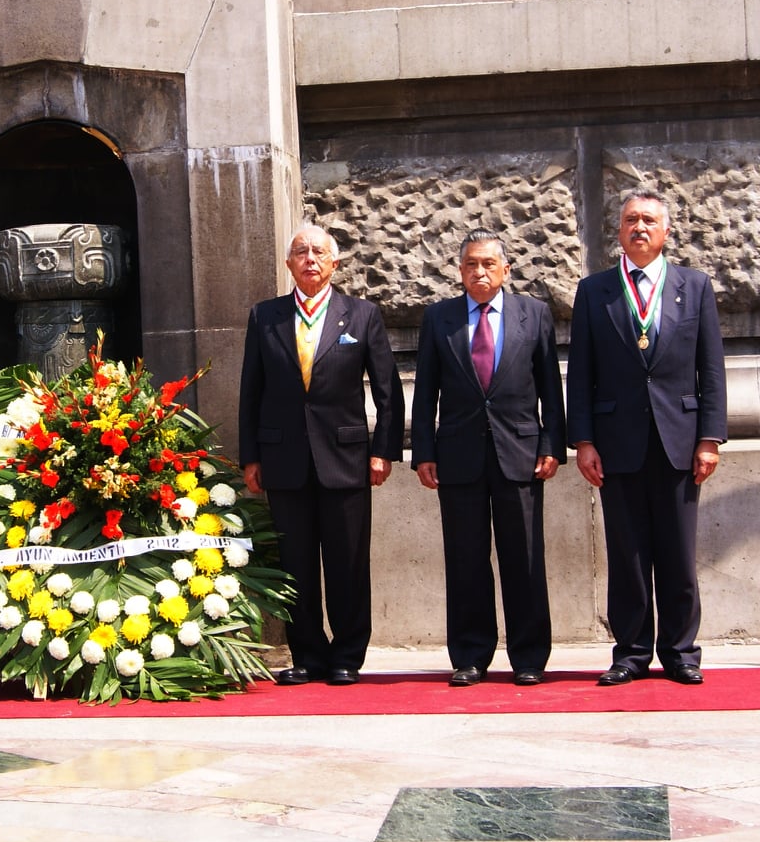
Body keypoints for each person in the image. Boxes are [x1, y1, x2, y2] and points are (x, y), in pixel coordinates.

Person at [566, 189, 727, 687]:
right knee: (628, 554)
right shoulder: (595, 291)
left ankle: (681, 651)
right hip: (617, 443)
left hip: (680, 439)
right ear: (618, 231)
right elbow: (582, 373)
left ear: (666, 232)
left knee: (678, 553)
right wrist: (584, 441)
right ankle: (631, 652)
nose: (640, 227)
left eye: (649, 221)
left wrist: (710, 438)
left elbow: (711, 369)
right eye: (631, 219)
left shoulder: (694, 287)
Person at [238, 224, 402, 687]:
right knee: (297, 563)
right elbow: (251, 391)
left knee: (348, 561)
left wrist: (383, 451)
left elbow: (388, 391)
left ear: (334, 262)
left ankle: (348, 655)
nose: (310, 258)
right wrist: (251, 455)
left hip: (347, 458)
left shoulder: (363, 315)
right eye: (300, 252)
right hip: (284, 459)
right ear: (289, 264)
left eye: (319, 252)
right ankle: (307, 654)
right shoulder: (265, 316)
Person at [411, 230, 565, 687]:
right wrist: (423, 452)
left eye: (488, 264)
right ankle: (470, 655)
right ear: (460, 271)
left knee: (525, 558)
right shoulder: (439, 318)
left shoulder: (533, 315)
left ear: (506, 270)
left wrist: (551, 444)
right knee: (465, 560)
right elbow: (425, 393)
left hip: (520, 454)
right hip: (458, 458)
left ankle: (529, 656)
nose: (480, 272)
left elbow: (550, 388)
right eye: (471, 265)